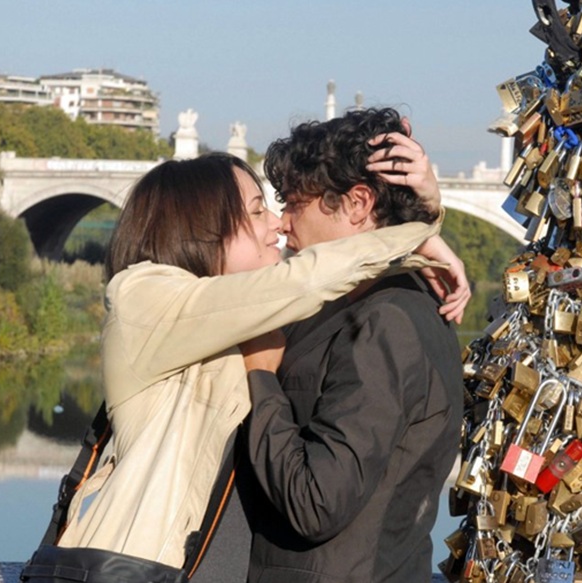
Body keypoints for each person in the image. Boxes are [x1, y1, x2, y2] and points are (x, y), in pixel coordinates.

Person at [45, 145, 467, 580]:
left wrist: (411, 209)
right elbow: (303, 281)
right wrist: (417, 230)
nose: (278, 225)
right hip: (137, 572)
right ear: (200, 226)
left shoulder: (254, 323)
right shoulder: (144, 300)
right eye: (257, 211)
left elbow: (329, 292)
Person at [240, 108, 465, 583]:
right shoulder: (365, 306)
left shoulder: (385, 322)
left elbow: (317, 503)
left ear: (358, 203)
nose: (282, 222)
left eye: (294, 203)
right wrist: (426, 225)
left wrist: (260, 377)